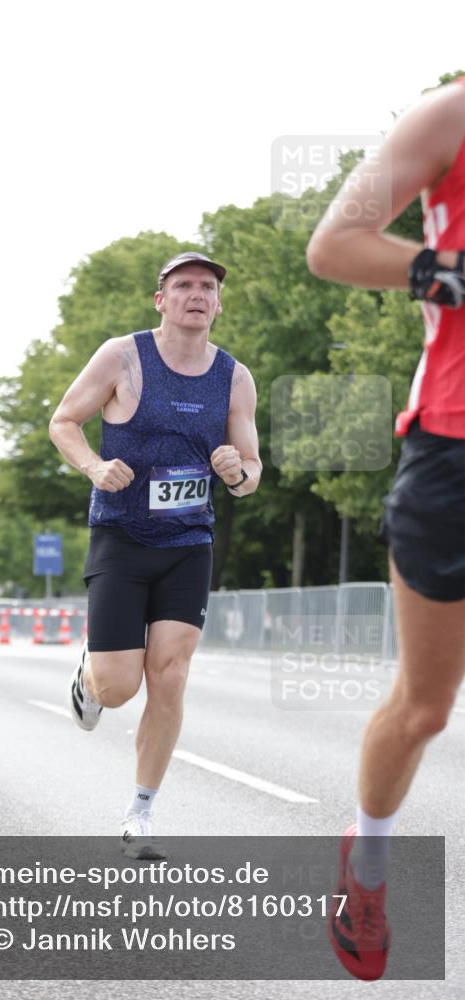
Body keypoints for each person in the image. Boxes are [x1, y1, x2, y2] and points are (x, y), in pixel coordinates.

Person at [306, 76, 465, 981]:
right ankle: (366, 861)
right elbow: (334, 245)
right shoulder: (450, 114)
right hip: (451, 452)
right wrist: (444, 274)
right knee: (425, 707)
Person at [49, 251, 261, 859]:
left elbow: (251, 469)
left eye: (208, 287)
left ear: (218, 304)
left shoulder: (234, 377)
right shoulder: (123, 356)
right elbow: (64, 421)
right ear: (160, 299)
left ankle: (141, 811)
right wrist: (93, 465)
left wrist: (237, 471)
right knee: (120, 687)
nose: (197, 294)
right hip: (120, 536)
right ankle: (91, 680)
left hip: (189, 542)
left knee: (169, 676)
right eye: (184, 285)